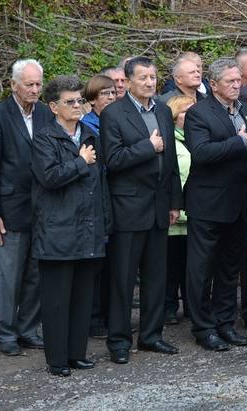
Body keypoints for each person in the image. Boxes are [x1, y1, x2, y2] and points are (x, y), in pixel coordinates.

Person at [100, 56, 183, 364]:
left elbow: (171, 160)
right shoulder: (113, 113)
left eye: (153, 77)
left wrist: (174, 201)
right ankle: (119, 341)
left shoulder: (162, 109)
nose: (150, 82)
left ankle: (151, 335)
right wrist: (148, 147)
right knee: (122, 280)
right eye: (143, 78)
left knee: (156, 277)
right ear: (128, 81)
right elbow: (113, 160)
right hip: (128, 207)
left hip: (159, 206)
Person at [31, 75, 112, 376]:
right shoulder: (44, 138)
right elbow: (49, 177)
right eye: (70, 102)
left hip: (88, 227)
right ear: (54, 107)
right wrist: (80, 162)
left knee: (82, 297)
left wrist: (105, 221)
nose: (78, 106)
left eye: (80, 100)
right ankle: (57, 359)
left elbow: (100, 183)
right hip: (57, 229)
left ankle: (77, 353)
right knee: (57, 300)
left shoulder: (89, 134)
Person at [0, 58, 52, 356]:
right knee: (9, 276)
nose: (35, 89)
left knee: (36, 272)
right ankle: (6, 333)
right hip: (10, 209)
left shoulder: (46, 113)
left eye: (38, 84)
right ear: (13, 85)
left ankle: (28, 329)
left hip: (43, 207)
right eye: (29, 84)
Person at [184, 57, 247, 352]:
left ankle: (226, 323)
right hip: (208, 203)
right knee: (201, 269)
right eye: (230, 81)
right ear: (213, 84)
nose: (237, 85)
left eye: (239, 80)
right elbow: (201, 152)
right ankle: (204, 328)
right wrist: (239, 143)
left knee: (229, 267)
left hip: (239, 202)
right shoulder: (198, 113)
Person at [80, 73, 116, 336]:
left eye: (113, 92)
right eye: (105, 93)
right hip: (97, 195)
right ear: (92, 99)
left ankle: (106, 314)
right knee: (95, 262)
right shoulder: (88, 126)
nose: (111, 97)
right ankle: (92, 318)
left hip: (116, 194)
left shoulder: (116, 120)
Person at [164, 95, 195, 326]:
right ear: (175, 116)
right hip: (174, 217)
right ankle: (168, 307)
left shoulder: (196, 138)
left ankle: (192, 307)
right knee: (170, 267)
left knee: (191, 267)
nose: (191, 115)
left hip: (194, 214)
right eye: (185, 111)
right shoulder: (169, 141)